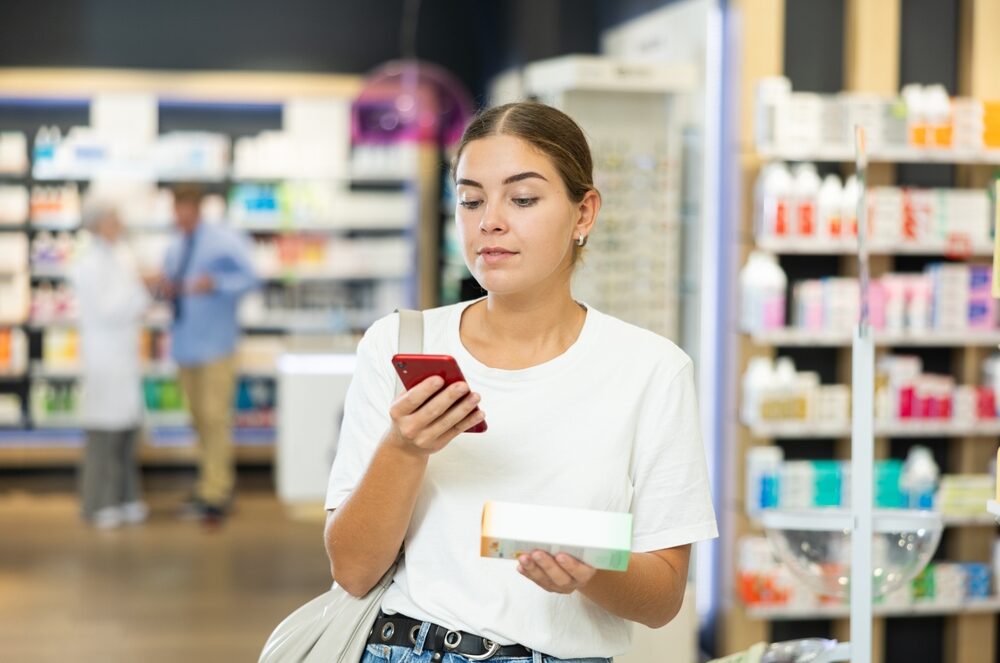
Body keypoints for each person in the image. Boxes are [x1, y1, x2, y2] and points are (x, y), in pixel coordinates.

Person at [324, 101, 718, 663]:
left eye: (523, 198)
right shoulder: (399, 344)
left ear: (584, 215)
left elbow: (662, 599)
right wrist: (404, 447)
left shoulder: (652, 370)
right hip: (404, 648)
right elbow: (353, 570)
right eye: (470, 199)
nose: (490, 221)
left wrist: (589, 572)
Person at [156, 184, 258, 525]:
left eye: (184, 207)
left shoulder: (222, 239)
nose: (179, 215)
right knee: (198, 419)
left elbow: (251, 278)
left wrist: (215, 283)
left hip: (216, 346)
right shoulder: (175, 246)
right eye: (175, 208)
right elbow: (174, 285)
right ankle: (207, 484)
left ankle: (217, 492)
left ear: (197, 207)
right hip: (185, 345)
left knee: (215, 419)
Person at [73, 198, 151, 529]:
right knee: (105, 434)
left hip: (121, 356)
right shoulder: (88, 262)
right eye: (112, 219)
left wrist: (139, 291)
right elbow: (108, 309)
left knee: (126, 433)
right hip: (104, 357)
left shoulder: (119, 255)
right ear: (97, 224)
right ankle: (99, 501)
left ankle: (125, 496)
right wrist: (140, 290)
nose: (118, 225)